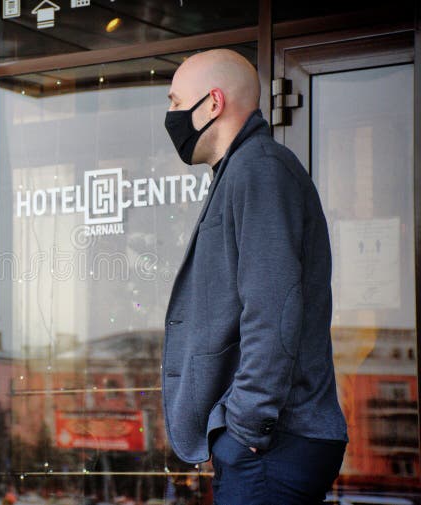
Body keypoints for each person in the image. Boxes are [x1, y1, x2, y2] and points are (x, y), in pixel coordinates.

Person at [161, 49, 348, 504]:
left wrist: (244, 429)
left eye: (174, 101)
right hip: (270, 443)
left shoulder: (259, 169)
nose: (170, 116)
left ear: (213, 103)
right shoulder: (244, 170)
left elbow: (273, 312)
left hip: (272, 443)